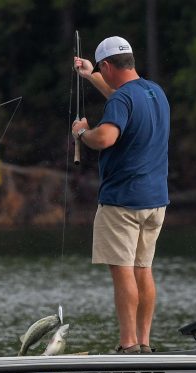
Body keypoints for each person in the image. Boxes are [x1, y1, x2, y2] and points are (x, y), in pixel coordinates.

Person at [72, 36, 170, 354]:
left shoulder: (121, 100)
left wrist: (82, 133)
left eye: (101, 70)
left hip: (122, 202)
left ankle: (127, 345)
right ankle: (144, 342)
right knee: (143, 269)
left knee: (123, 270)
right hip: (155, 202)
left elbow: (105, 138)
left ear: (108, 66)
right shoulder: (154, 92)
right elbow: (121, 98)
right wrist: (90, 75)